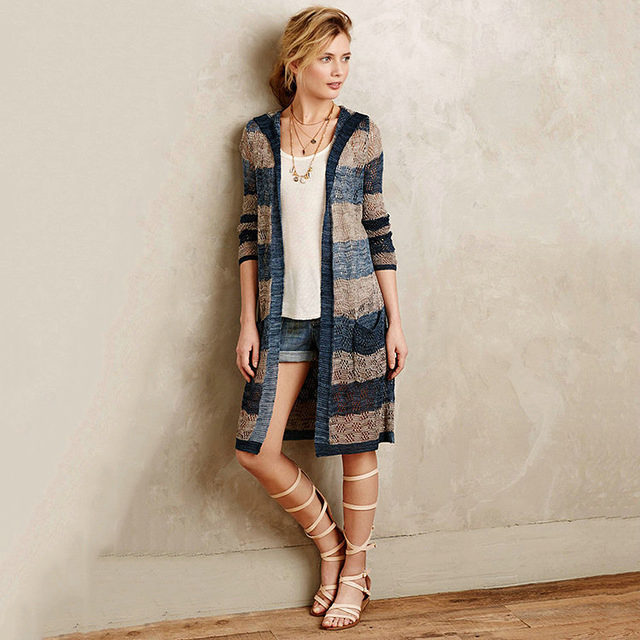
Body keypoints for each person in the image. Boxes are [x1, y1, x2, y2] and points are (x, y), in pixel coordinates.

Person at [234, 6, 408, 630]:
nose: (338, 71)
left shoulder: (361, 133)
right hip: (281, 319)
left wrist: (395, 321)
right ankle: (331, 543)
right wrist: (248, 322)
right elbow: (249, 233)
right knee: (256, 449)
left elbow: (379, 229)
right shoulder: (258, 137)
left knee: (357, 448)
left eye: (345, 58)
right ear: (295, 62)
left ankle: (355, 573)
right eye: (326, 58)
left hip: (355, 316)